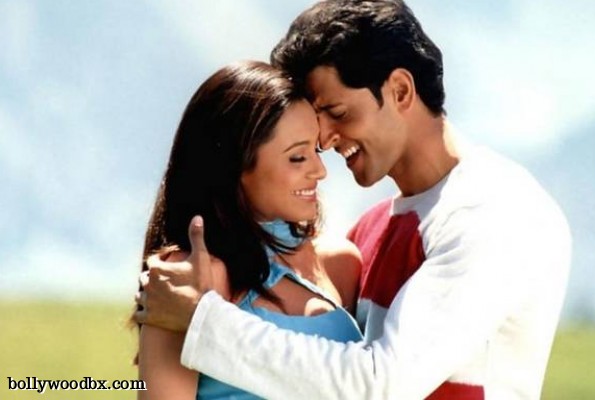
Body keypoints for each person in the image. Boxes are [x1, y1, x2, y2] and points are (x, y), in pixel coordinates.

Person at [136, 0, 572, 399]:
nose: (324, 139)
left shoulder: (496, 214)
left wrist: (203, 324)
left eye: (338, 113)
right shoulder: (369, 232)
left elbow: (382, 384)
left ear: (400, 91)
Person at [134, 60, 363, 399]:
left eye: (315, 150)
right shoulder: (187, 277)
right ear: (235, 167)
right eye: (297, 157)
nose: (320, 171)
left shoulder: (340, 264)